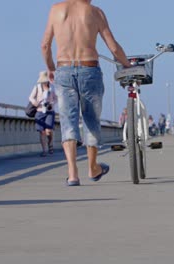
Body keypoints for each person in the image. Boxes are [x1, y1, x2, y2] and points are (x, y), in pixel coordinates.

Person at [42, 0, 131, 186]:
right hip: (90, 69)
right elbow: (113, 47)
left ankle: (72, 173)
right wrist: (127, 65)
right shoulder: (95, 12)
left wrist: (50, 68)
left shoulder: (56, 10)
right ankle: (93, 168)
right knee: (91, 120)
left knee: (68, 121)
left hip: (63, 70)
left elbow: (45, 45)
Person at [29, 71, 58, 157]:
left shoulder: (52, 88)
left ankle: (50, 144)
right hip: (40, 111)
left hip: (49, 111)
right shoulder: (37, 87)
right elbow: (31, 97)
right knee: (42, 132)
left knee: (49, 131)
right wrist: (36, 103)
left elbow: (56, 98)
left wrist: (52, 103)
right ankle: (44, 150)